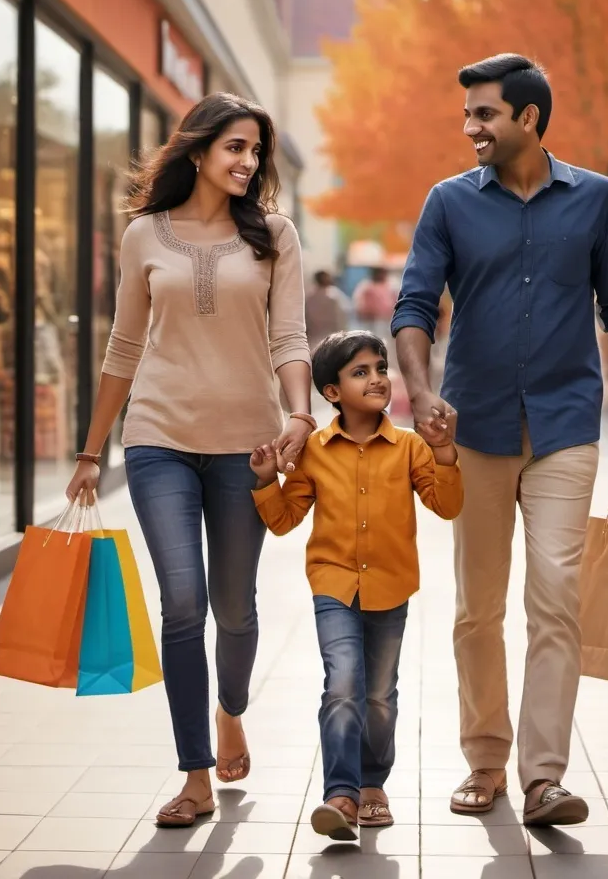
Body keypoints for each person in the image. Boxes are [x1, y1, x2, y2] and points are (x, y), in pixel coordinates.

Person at [391, 53, 608, 827]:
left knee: (556, 594)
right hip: (472, 425)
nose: (469, 126)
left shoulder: (597, 198)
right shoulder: (448, 203)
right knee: (478, 606)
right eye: (468, 113)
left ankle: (544, 777)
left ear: (529, 119)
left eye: (484, 114)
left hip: (567, 425)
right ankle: (484, 757)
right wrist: (423, 390)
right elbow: (414, 304)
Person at [65, 92, 315, 828]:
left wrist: (300, 414)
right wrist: (90, 450)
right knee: (183, 601)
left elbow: (289, 338)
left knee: (235, 610)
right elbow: (124, 346)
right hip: (158, 438)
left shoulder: (275, 235)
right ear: (199, 151)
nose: (248, 162)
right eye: (235, 147)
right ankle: (195, 774)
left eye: (255, 150)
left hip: (250, 446)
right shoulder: (144, 234)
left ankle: (230, 710)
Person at [249, 331, 464, 839]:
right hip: (334, 586)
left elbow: (447, 505)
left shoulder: (409, 446)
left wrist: (447, 452)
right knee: (343, 684)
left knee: (380, 696)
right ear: (331, 392)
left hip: (391, 588)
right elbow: (284, 521)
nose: (377, 379)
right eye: (360, 372)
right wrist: (264, 482)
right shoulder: (315, 452)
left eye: (380, 368)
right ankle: (341, 796)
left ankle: (373, 785)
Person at [306, 269, 351, 349]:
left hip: (314, 340)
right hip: (332, 339)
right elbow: (344, 315)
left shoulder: (309, 296)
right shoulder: (335, 295)